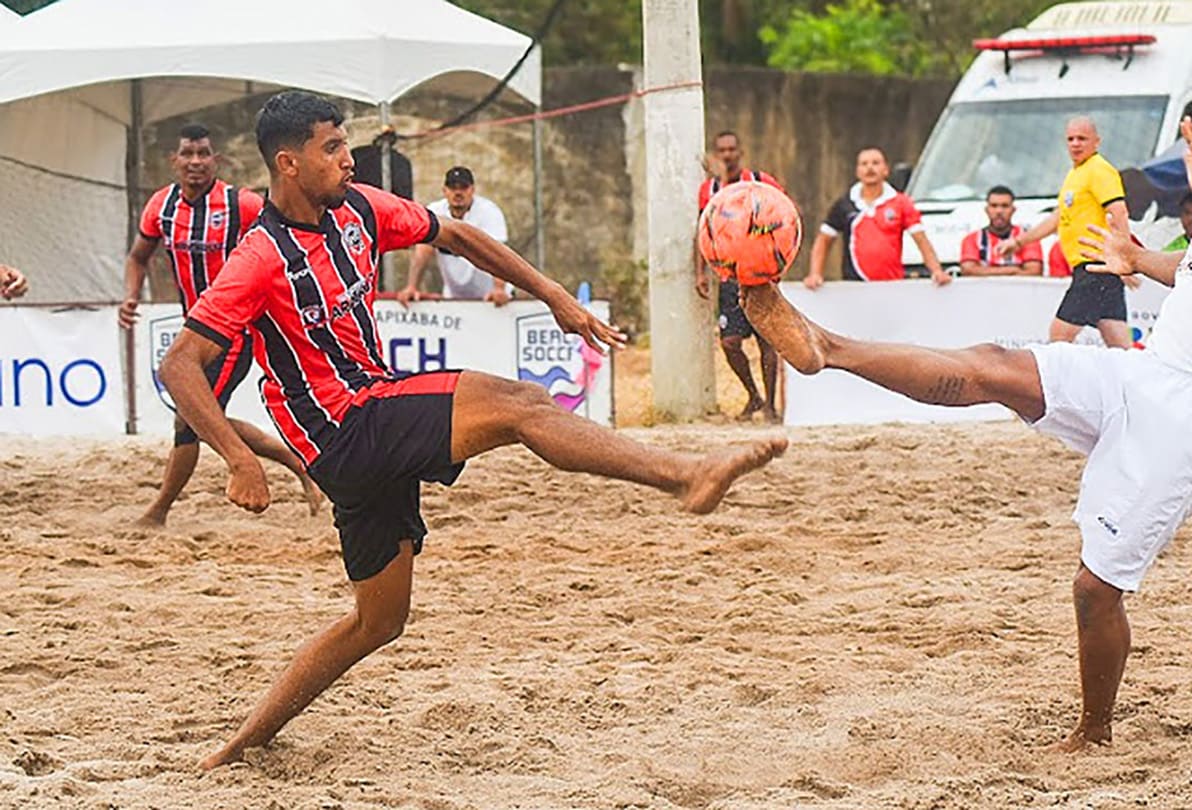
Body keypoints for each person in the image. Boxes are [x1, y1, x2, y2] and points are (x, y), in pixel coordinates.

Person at [159, 91, 786, 769]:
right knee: (521, 402)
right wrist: (237, 459)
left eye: (346, 145)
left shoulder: (360, 208)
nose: (348, 159)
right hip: (349, 425)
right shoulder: (258, 257)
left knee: (377, 622)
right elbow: (180, 365)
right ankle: (686, 476)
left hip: (363, 432)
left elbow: (455, 235)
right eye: (332, 148)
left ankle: (239, 745)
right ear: (289, 163)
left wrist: (552, 294)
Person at [741, 88, 1192, 751]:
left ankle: (1094, 732)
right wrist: (1141, 260)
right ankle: (829, 349)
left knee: (1094, 589)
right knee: (994, 366)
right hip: (1144, 369)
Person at [120, 122, 322, 528]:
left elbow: (287, 240)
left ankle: (157, 512)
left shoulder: (241, 204)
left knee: (189, 418)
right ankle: (298, 464)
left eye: (203, 154)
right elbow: (138, 256)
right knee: (207, 416)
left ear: (217, 160)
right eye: (188, 154)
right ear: (174, 160)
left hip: (236, 333)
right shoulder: (160, 206)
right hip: (194, 331)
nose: (195, 162)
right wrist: (130, 295)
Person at [998, 117, 1135, 347]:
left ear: (1096, 142)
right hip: (1097, 266)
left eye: (1082, 138)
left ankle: (1059, 383)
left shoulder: (1099, 170)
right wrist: (1018, 242)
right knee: (1118, 341)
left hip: (1094, 264)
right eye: (1070, 139)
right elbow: (1057, 218)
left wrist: (1127, 256)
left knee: (1059, 335)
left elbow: (1119, 212)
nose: (1075, 144)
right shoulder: (1075, 174)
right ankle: (1136, 381)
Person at [694, 131, 783, 422]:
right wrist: (701, 272)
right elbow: (702, 230)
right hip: (729, 279)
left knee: (767, 342)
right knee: (730, 342)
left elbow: (784, 219)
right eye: (722, 150)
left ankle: (771, 405)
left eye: (732, 149)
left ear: (740, 151)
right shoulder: (709, 190)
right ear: (716, 155)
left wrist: (779, 265)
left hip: (761, 275)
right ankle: (753, 396)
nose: (728, 154)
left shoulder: (760, 182)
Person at [804, 147, 951, 289]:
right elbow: (823, 240)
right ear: (857, 171)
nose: (870, 168)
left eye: (875, 163)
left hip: (891, 286)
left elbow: (921, 240)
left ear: (886, 170)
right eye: (864, 164)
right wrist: (815, 274)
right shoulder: (845, 204)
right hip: (854, 287)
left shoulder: (901, 203)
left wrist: (936, 271)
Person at [398, 166, 512, 307]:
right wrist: (412, 286)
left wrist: (499, 288)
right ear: (444, 191)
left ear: (472, 190)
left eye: (463, 187)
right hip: (454, 299)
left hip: (491, 299)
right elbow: (423, 249)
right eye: (453, 188)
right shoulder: (435, 211)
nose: (458, 193)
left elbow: (499, 252)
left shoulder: (489, 212)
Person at [958, 185, 1043, 276]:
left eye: (1005, 206)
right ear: (987, 210)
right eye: (994, 206)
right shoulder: (972, 239)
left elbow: (1034, 271)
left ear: (1013, 210)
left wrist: (984, 271)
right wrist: (1013, 270)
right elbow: (968, 271)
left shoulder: (1028, 238)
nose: (999, 211)